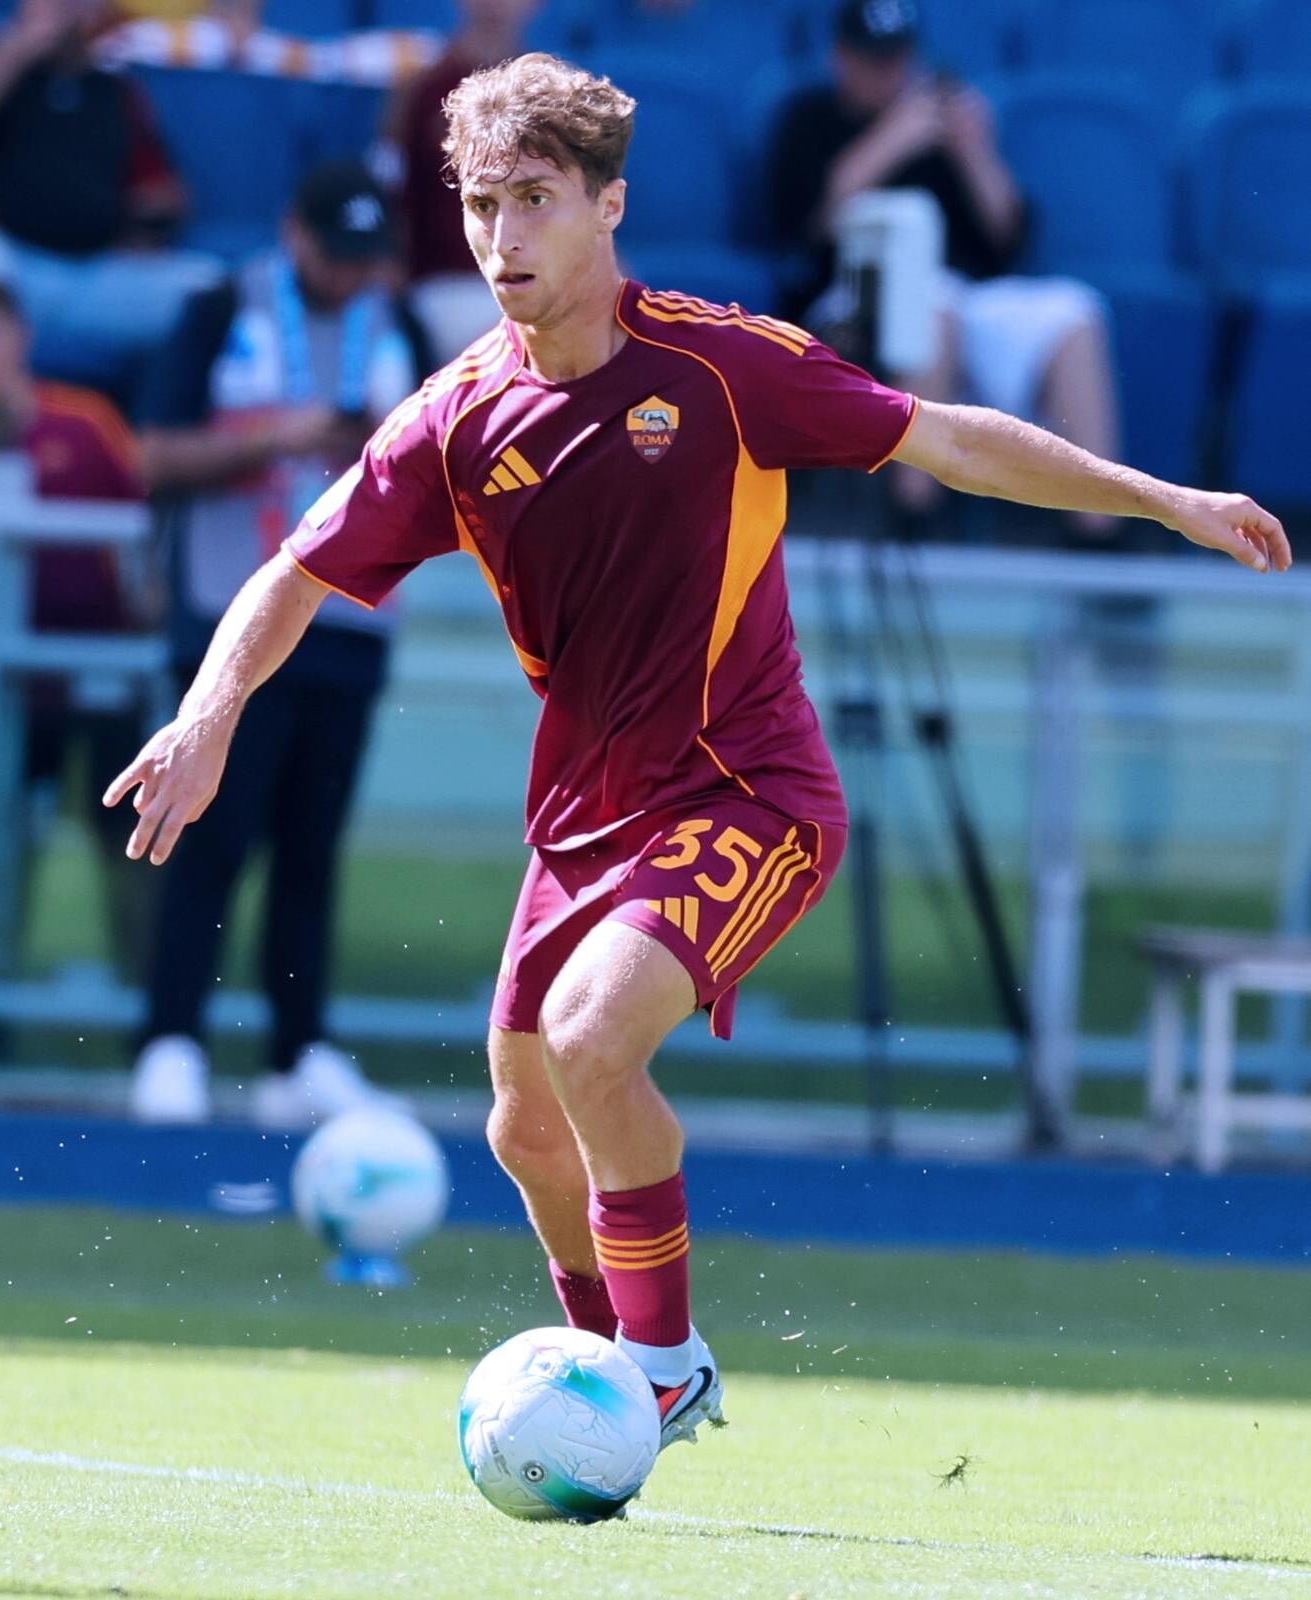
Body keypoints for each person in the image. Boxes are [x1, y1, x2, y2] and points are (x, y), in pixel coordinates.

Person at [104, 52, 1290, 1445]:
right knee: (523, 1129)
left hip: (749, 794)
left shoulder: (723, 368)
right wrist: (207, 714)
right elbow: (295, 571)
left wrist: (1160, 498)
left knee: (592, 1041)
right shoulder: (455, 419)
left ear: (608, 205)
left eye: (535, 199)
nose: (501, 237)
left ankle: (661, 1371)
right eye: (480, 205)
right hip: (583, 819)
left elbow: (947, 441)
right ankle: (607, 1372)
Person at [127, 160, 419, 1128]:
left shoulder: (396, 323)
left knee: (311, 848)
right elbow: (153, 453)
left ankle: (300, 1051)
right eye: (336, 253)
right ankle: (171, 1039)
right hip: (230, 622)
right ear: (294, 233)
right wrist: (272, 438)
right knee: (206, 835)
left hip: (351, 624)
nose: (351, 273)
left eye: (365, 255)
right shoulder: (220, 307)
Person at [768, 0, 1122, 538]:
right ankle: (916, 514)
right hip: (856, 294)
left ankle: (1098, 532)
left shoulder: (943, 126)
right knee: (929, 306)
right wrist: (894, 137)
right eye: (873, 60)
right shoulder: (809, 116)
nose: (887, 73)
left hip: (969, 293)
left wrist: (976, 151)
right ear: (841, 58)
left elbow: (1008, 239)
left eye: (896, 59)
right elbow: (807, 226)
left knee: (1075, 314)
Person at [0, 260, 152, 982]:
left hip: (102, 669)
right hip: (0, 680)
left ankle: (143, 992)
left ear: (18, 336)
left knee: (127, 833)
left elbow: (141, 535)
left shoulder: (87, 421)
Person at [0, 0, 222, 390]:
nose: (67, 9)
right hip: (9, 270)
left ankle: (165, 425)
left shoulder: (114, 89)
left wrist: (143, 231)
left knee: (207, 290)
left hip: (94, 275)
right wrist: (22, 44)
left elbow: (162, 192)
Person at [388, 0, 541, 368]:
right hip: (445, 287)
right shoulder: (422, 91)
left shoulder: (551, 96)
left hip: (535, 280)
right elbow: (393, 194)